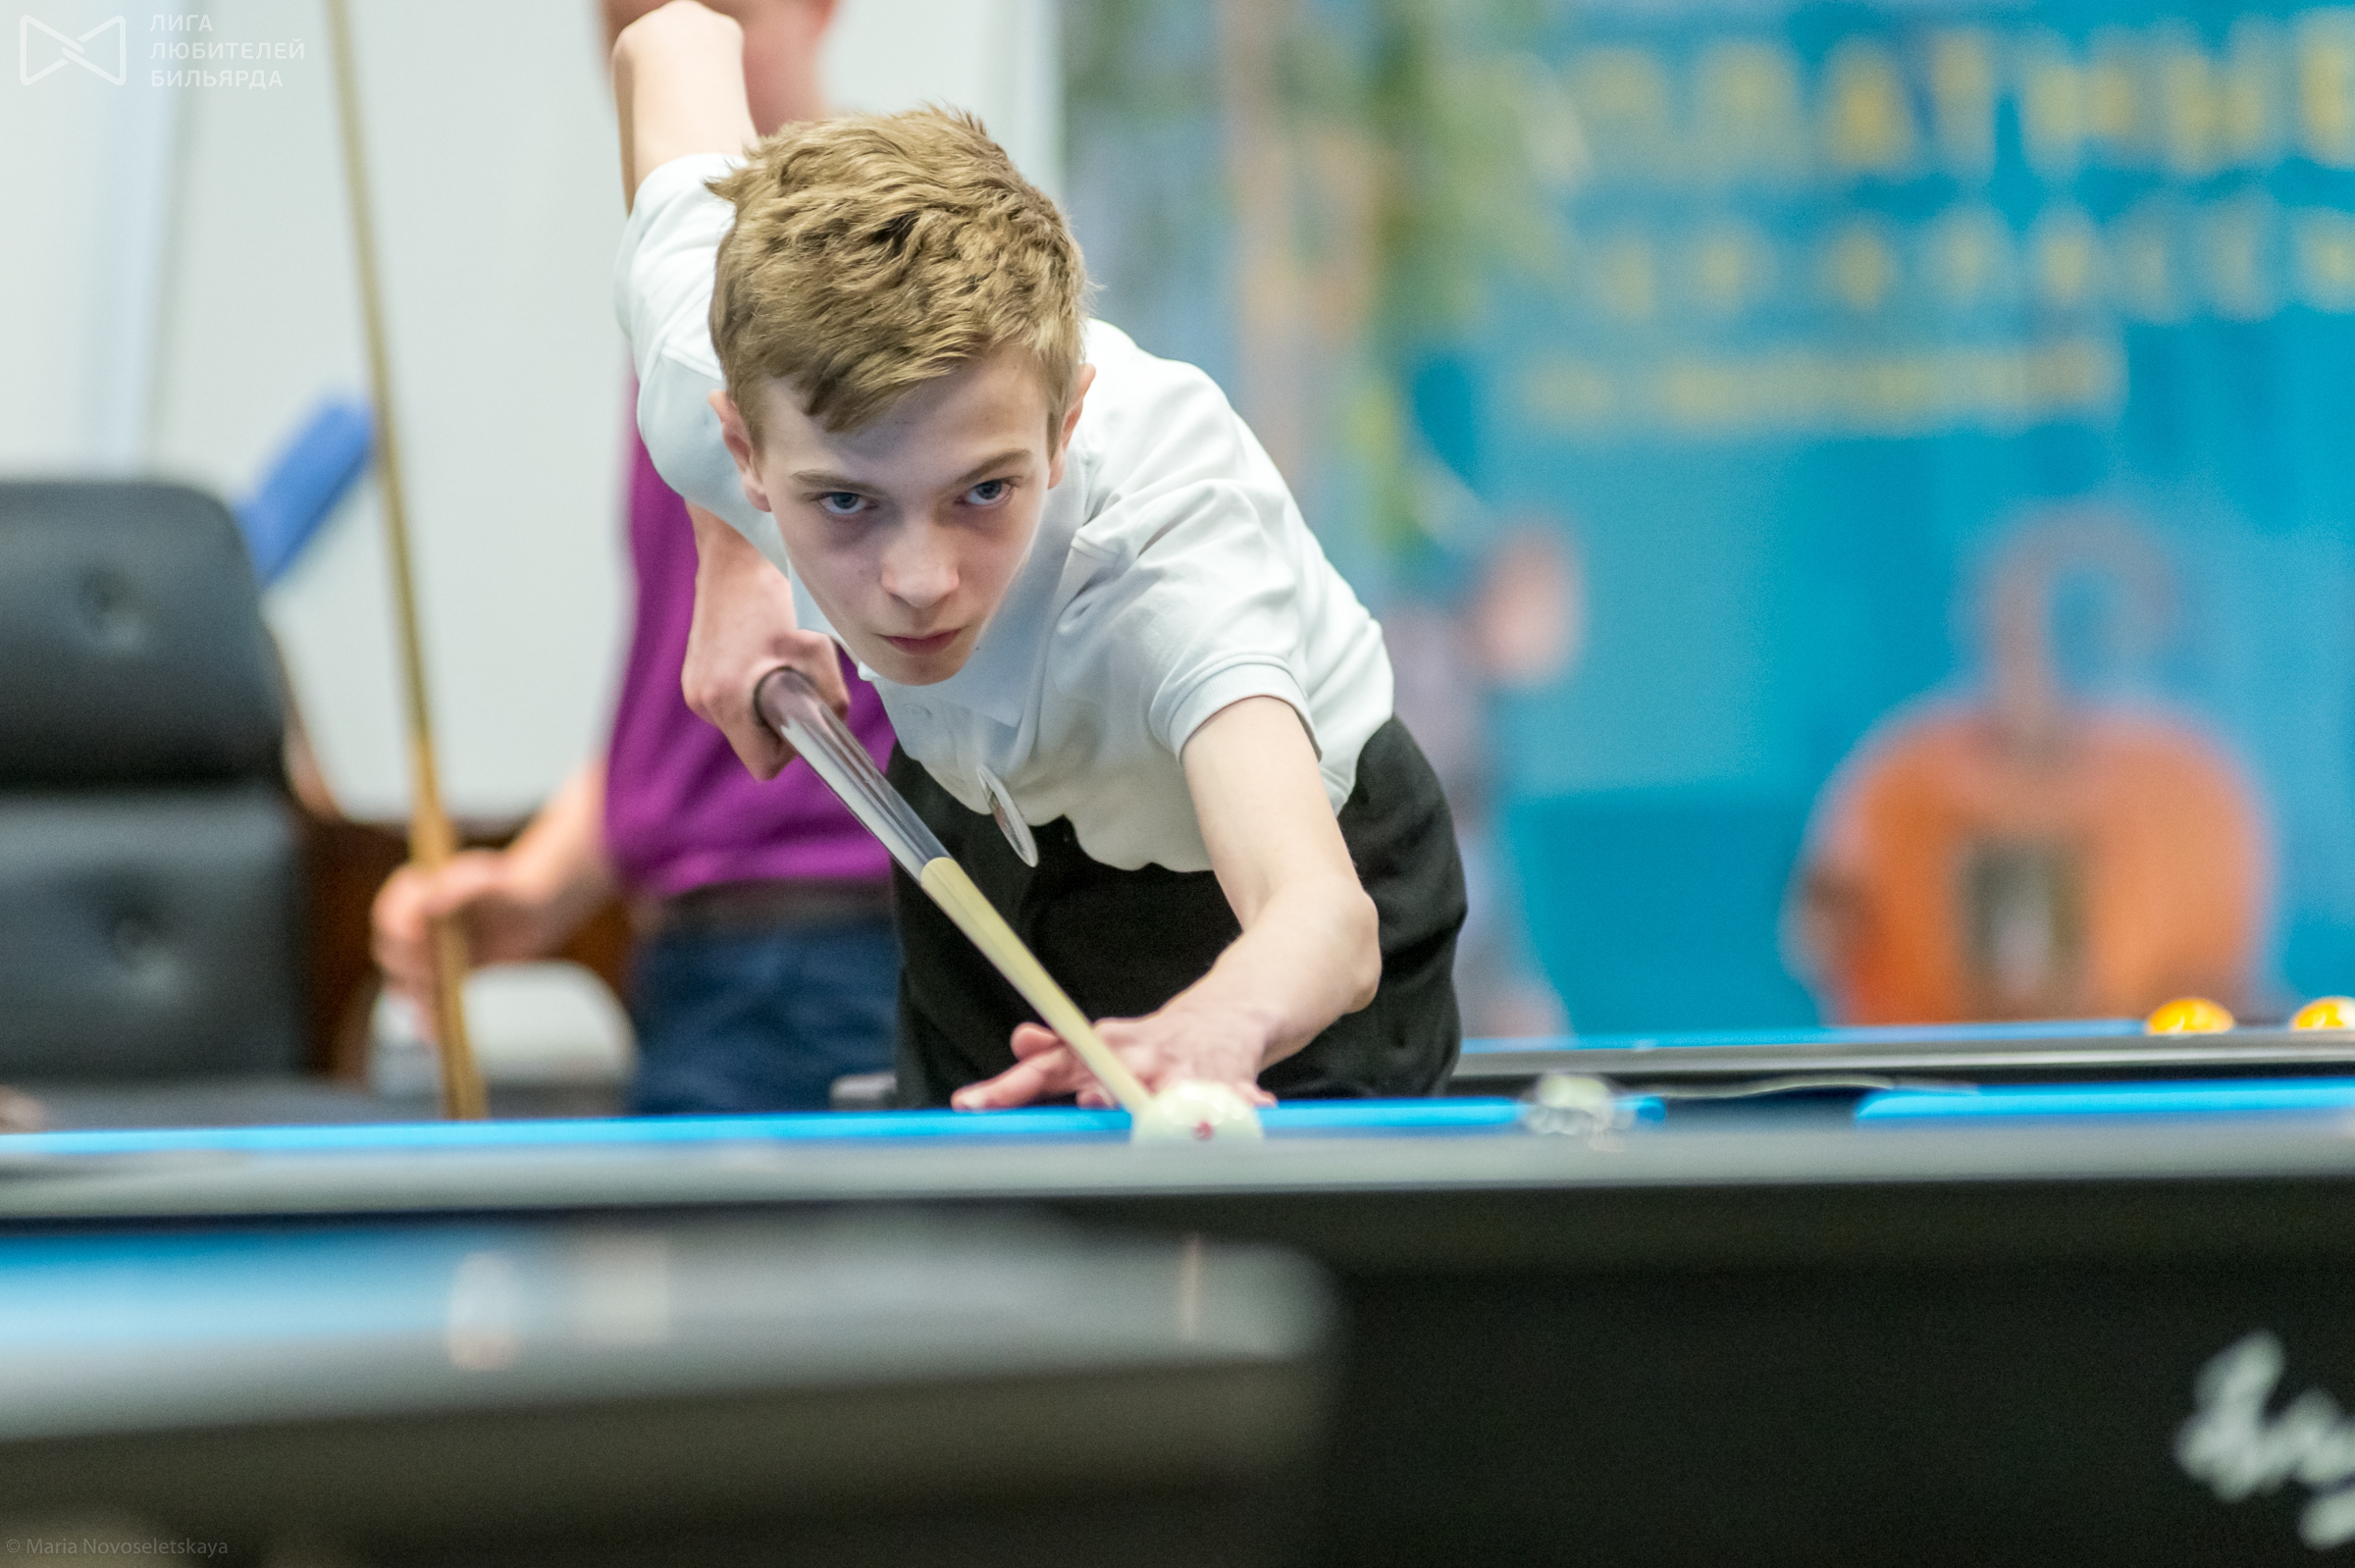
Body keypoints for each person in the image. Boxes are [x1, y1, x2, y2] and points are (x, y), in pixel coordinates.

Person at [609, 0, 1467, 1111]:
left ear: (1064, 428)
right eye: (847, 504)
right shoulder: (711, 384)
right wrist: (731, 565)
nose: (920, 581)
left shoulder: (1163, 553)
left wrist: (1210, 1026)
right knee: (973, 1204)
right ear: (744, 449)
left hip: (1277, 863)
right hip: (981, 811)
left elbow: (1320, 915)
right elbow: (672, 37)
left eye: (983, 491)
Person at [372, 0, 903, 1115]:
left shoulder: (884, 267)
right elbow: (698, 687)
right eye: (624, 12)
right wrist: (539, 883)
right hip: (706, 953)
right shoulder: (680, 330)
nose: (651, 40)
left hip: (832, 950)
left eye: (726, 8)